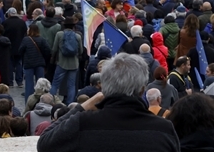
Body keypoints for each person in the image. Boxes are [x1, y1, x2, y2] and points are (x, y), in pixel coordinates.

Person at [37, 53, 179, 152]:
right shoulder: (164, 129)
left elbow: (44, 143)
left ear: (103, 88)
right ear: (142, 90)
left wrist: (82, 107)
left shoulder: (84, 123)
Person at [50, 16, 83, 103]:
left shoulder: (59, 34)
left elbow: (54, 49)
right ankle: (70, 104)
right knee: (71, 85)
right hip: (74, 64)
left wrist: (53, 58)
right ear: (73, 26)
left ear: (64, 25)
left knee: (55, 84)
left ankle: (51, 101)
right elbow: (81, 50)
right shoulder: (77, 36)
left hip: (61, 63)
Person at [19, 22, 50, 101]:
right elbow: (48, 51)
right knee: (41, 84)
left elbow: (20, 51)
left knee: (29, 84)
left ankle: (29, 102)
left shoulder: (26, 39)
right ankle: (42, 100)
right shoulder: (42, 39)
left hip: (29, 64)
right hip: (40, 63)